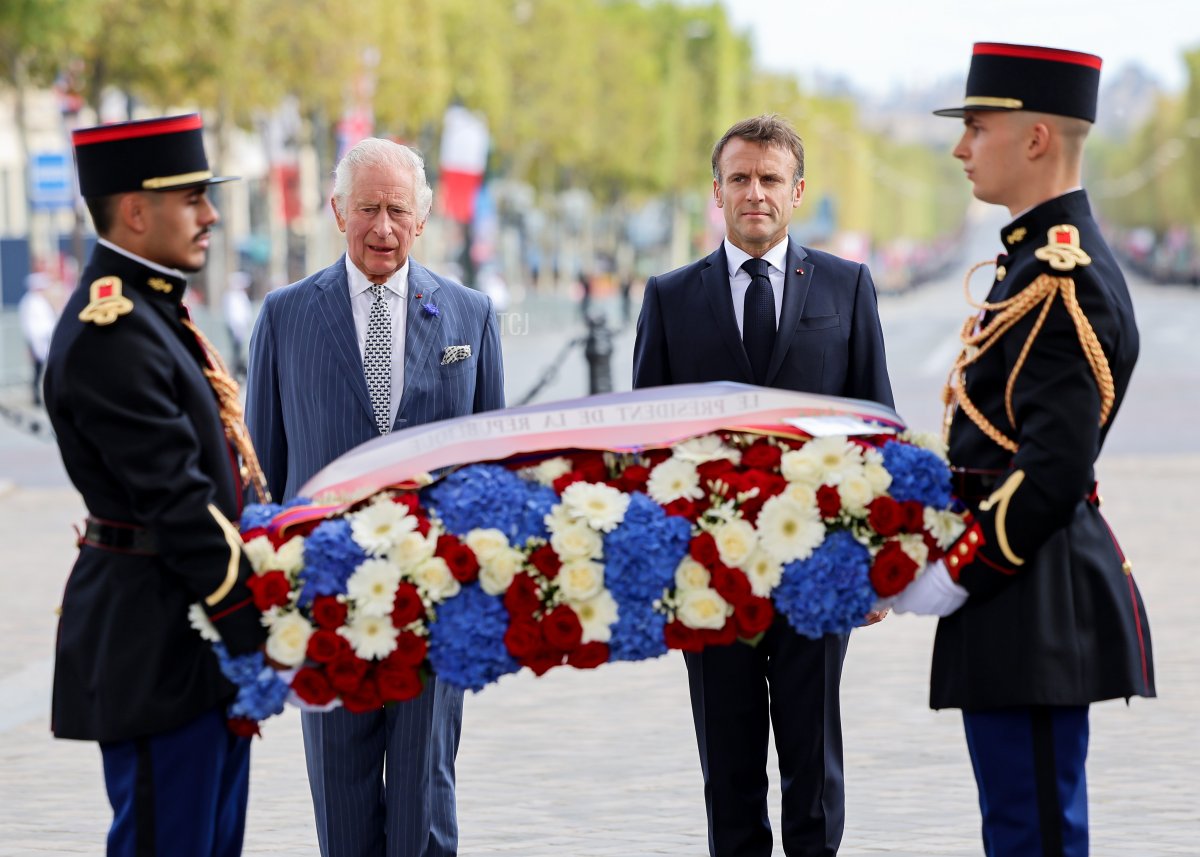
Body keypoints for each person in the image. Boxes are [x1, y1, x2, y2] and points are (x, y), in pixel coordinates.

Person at [893, 42, 1156, 856]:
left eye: (976, 127)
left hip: (1030, 598)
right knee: (1020, 825)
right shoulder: (1030, 263)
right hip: (1019, 600)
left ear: (1035, 139)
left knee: (1034, 832)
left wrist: (954, 568)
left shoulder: (1059, 277)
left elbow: (1051, 470)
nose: (960, 147)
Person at [633, 114, 894, 857]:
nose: (755, 192)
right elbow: (646, 448)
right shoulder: (670, 296)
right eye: (740, 178)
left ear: (797, 191)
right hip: (710, 577)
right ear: (716, 192)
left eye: (770, 178)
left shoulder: (847, 287)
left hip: (819, 570)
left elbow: (876, 428)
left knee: (814, 771)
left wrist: (876, 560)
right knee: (730, 773)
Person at [245, 137, 505, 857]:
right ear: (337, 211)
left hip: (435, 606)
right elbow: (262, 472)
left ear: (422, 218)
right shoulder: (285, 315)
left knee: (426, 805)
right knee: (343, 802)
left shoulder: (471, 315)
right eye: (367, 209)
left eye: (397, 210)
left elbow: (495, 476)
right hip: (323, 602)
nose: (382, 228)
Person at [43, 113, 269, 856]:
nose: (209, 215)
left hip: (193, 643)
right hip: (159, 646)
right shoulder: (114, 330)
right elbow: (177, 500)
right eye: (192, 199)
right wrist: (259, 622)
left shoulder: (151, 312)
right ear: (136, 211)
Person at [17, 265, 59, 405]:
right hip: (38, 341)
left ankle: (44, 395)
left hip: (45, 340)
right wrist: (34, 344)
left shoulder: (39, 301)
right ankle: (37, 396)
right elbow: (32, 326)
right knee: (38, 370)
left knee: (43, 370)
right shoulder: (30, 302)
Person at [223, 270, 253, 380]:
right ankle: (236, 373)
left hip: (242, 329)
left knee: (240, 352)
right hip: (236, 329)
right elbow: (233, 316)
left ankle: (239, 372)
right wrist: (236, 330)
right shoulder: (232, 297)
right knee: (236, 353)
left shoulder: (241, 296)